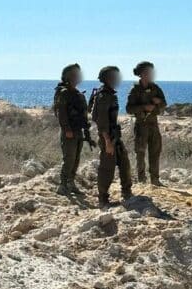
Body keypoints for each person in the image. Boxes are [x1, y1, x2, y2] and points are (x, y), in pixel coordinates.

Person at [91, 65, 133, 208]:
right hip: (107, 137)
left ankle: (127, 191)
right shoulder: (103, 96)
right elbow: (101, 121)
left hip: (114, 137)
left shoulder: (109, 94)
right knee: (107, 168)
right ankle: (103, 199)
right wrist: (108, 141)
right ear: (109, 78)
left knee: (124, 162)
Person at [126, 61, 167, 186]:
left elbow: (164, 103)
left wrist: (158, 101)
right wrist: (144, 107)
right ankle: (141, 179)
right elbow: (129, 109)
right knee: (140, 152)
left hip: (153, 124)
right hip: (141, 124)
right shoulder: (134, 90)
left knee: (155, 151)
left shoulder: (155, 88)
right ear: (142, 74)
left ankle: (155, 179)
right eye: (148, 72)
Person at [53, 63, 90, 197]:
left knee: (76, 159)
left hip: (78, 130)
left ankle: (71, 183)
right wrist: (67, 128)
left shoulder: (78, 94)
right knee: (69, 158)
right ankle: (62, 185)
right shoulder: (64, 94)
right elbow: (61, 113)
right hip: (69, 131)